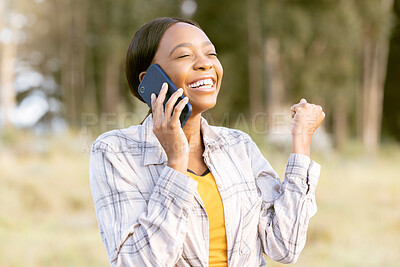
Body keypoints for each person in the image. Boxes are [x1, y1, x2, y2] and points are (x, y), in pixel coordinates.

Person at [89, 17, 325, 267]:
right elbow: (136, 263)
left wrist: (301, 144)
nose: (205, 64)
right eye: (184, 56)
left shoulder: (238, 146)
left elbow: (284, 246)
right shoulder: (115, 151)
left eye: (211, 53)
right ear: (150, 80)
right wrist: (176, 163)